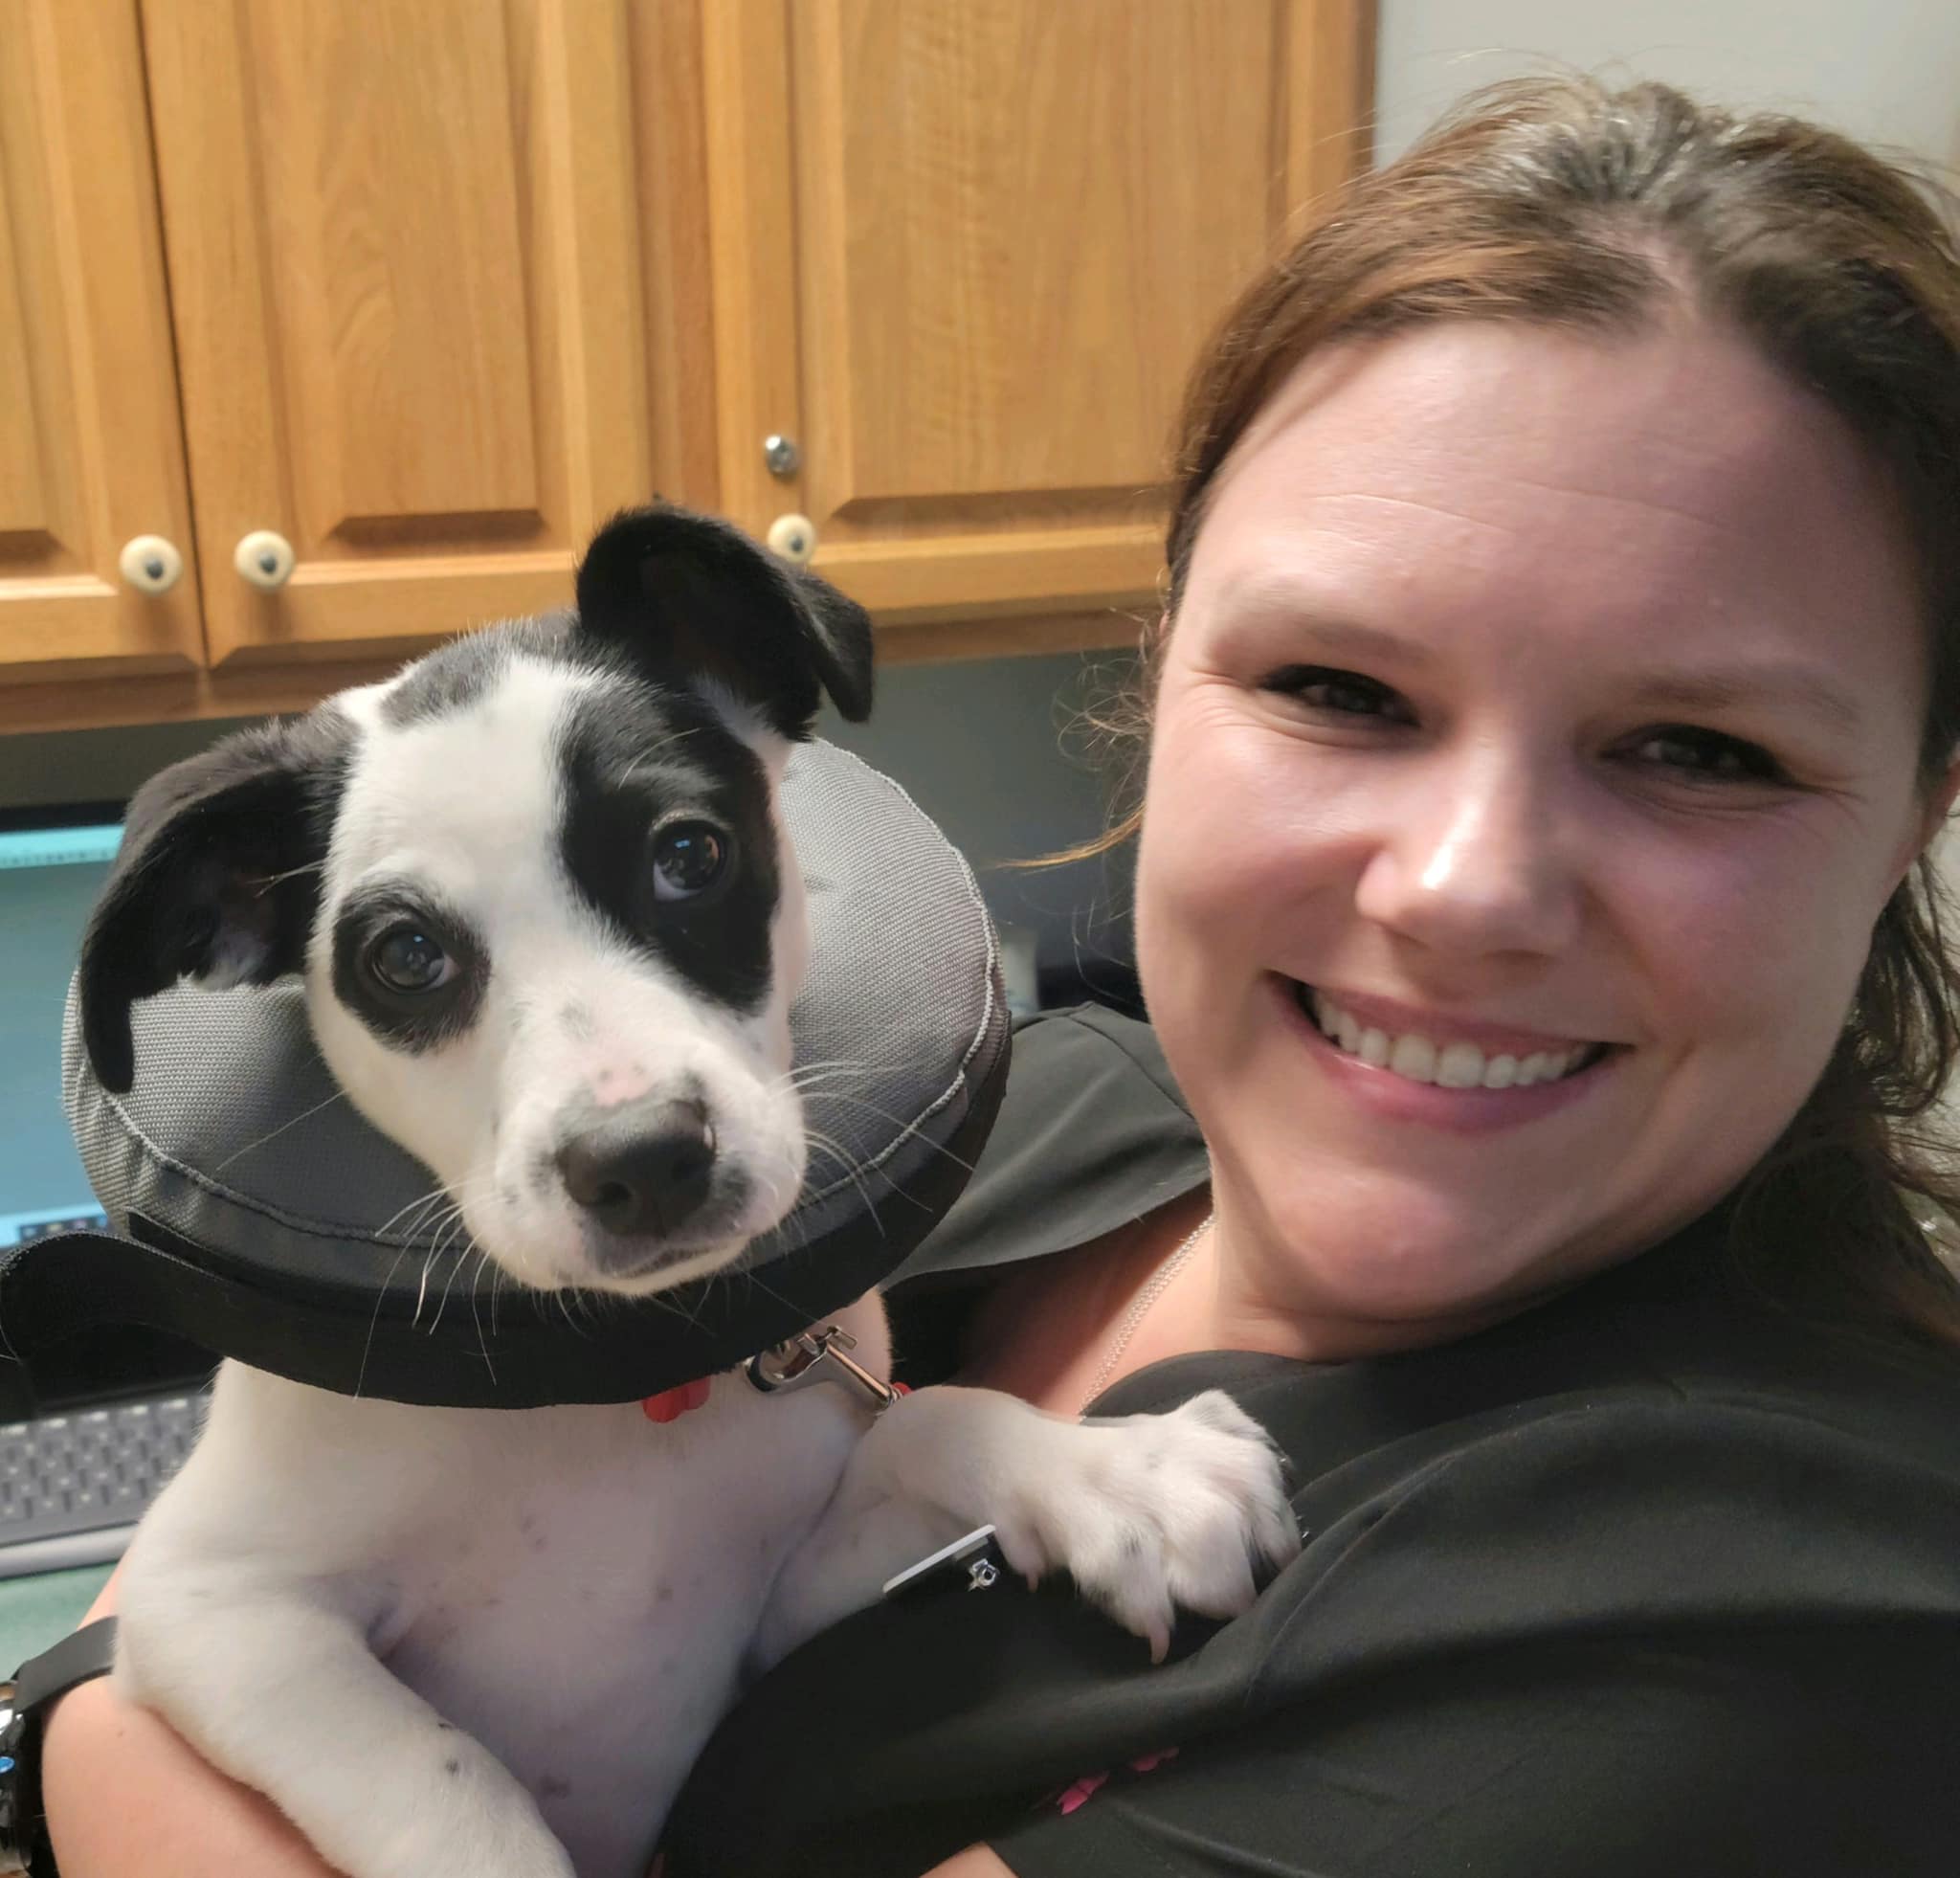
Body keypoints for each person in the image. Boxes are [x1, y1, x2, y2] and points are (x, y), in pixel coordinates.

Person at [40, 72, 1960, 1878]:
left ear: (1916, 815)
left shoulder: (1781, 1611)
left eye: (1699, 748)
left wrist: (80, 1743)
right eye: (1338, 685)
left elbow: (112, 1692)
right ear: (1160, 663)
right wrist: (75, 1718)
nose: (1466, 892)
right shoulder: (998, 1109)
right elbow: (164, 1636)